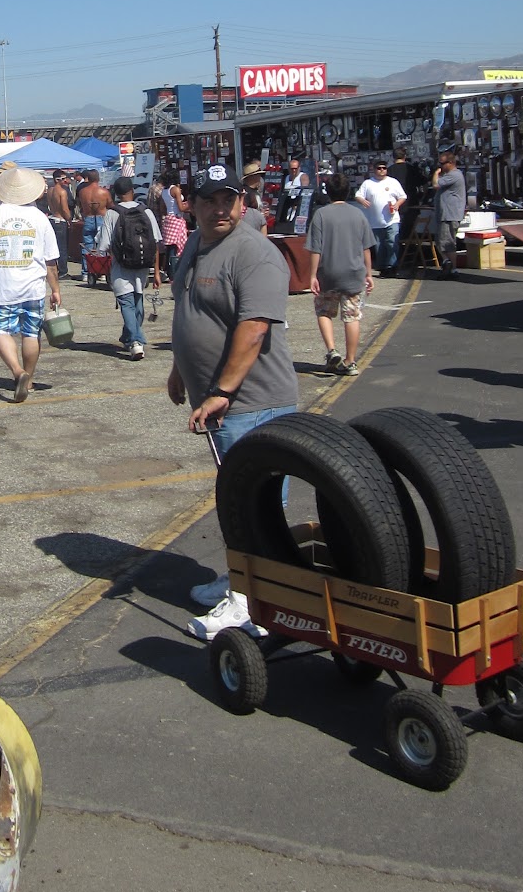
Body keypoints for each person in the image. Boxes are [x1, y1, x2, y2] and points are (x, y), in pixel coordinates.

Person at [167, 162, 298, 640]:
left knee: (253, 504)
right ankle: (241, 579)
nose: (220, 208)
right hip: (220, 403)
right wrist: (180, 367)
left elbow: (254, 327)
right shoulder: (198, 245)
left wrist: (221, 391)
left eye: (229, 199)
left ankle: (252, 601)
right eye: (209, 200)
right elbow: (194, 308)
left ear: (242, 203)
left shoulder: (255, 254)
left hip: (253, 403)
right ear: (192, 205)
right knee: (236, 497)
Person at [0, 165, 61, 403]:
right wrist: (56, 290)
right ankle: (28, 379)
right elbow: (50, 260)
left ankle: (17, 371)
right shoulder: (40, 217)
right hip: (33, 285)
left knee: (1, 330)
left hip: (2, 284)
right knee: (31, 333)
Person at [307, 174, 374, 375]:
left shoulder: (321, 215)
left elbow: (315, 249)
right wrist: (369, 273)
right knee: (352, 317)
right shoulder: (358, 214)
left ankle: (332, 350)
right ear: (348, 192)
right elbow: (366, 248)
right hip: (354, 272)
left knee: (323, 311)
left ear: (328, 192)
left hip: (329, 272)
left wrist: (312, 275)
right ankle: (351, 361)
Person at [96, 174, 162, 358]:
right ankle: (129, 337)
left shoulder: (112, 213)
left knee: (126, 303)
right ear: (132, 191)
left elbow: (104, 246)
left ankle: (135, 341)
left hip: (121, 266)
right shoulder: (146, 211)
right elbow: (155, 243)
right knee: (137, 303)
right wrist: (156, 272)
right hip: (143, 266)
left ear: (115, 194)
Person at [355, 159, 407, 276]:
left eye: (384, 168)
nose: (382, 170)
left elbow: (403, 196)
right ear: (374, 170)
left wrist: (397, 204)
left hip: (392, 219)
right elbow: (358, 195)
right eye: (379, 168)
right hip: (375, 221)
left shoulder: (393, 182)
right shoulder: (368, 183)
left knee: (392, 242)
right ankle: (383, 268)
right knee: (379, 245)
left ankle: (392, 266)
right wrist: (363, 200)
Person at [431, 148, 466, 276]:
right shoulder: (448, 176)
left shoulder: (454, 175)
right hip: (444, 214)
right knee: (440, 241)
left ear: (450, 163)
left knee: (448, 242)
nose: (440, 166)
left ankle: (453, 268)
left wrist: (436, 173)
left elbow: (435, 185)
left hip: (449, 215)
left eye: (442, 164)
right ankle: (447, 261)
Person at [76, 170, 112, 285]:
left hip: (88, 218)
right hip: (101, 218)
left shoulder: (82, 191)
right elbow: (111, 205)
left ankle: (86, 272)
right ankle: (102, 271)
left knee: (87, 247)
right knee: (103, 245)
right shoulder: (104, 192)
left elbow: (79, 204)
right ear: (98, 178)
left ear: (88, 179)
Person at [158, 170, 189, 281]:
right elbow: (181, 208)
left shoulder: (164, 191)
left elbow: (162, 209)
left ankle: (168, 271)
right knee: (176, 247)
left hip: (168, 219)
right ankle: (174, 272)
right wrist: (191, 204)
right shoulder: (175, 190)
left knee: (170, 247)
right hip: (176, 218)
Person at [46, 169, 73, 279]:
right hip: (60, 220)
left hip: (52, 218)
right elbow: (65, 209)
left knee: (54, 246)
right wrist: (69, 219)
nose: (65, 181)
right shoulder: (62, 192)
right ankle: (63, 271)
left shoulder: (50, 191)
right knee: (62, 248)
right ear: (58, 180)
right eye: (63, 179)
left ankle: (56, 269)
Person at [240, 161, 268, 230]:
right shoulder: (245, 193)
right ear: (253, 177)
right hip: (249, 229)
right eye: (258, 175)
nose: (260, 178)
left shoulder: (254, 192)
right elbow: (244, 214)